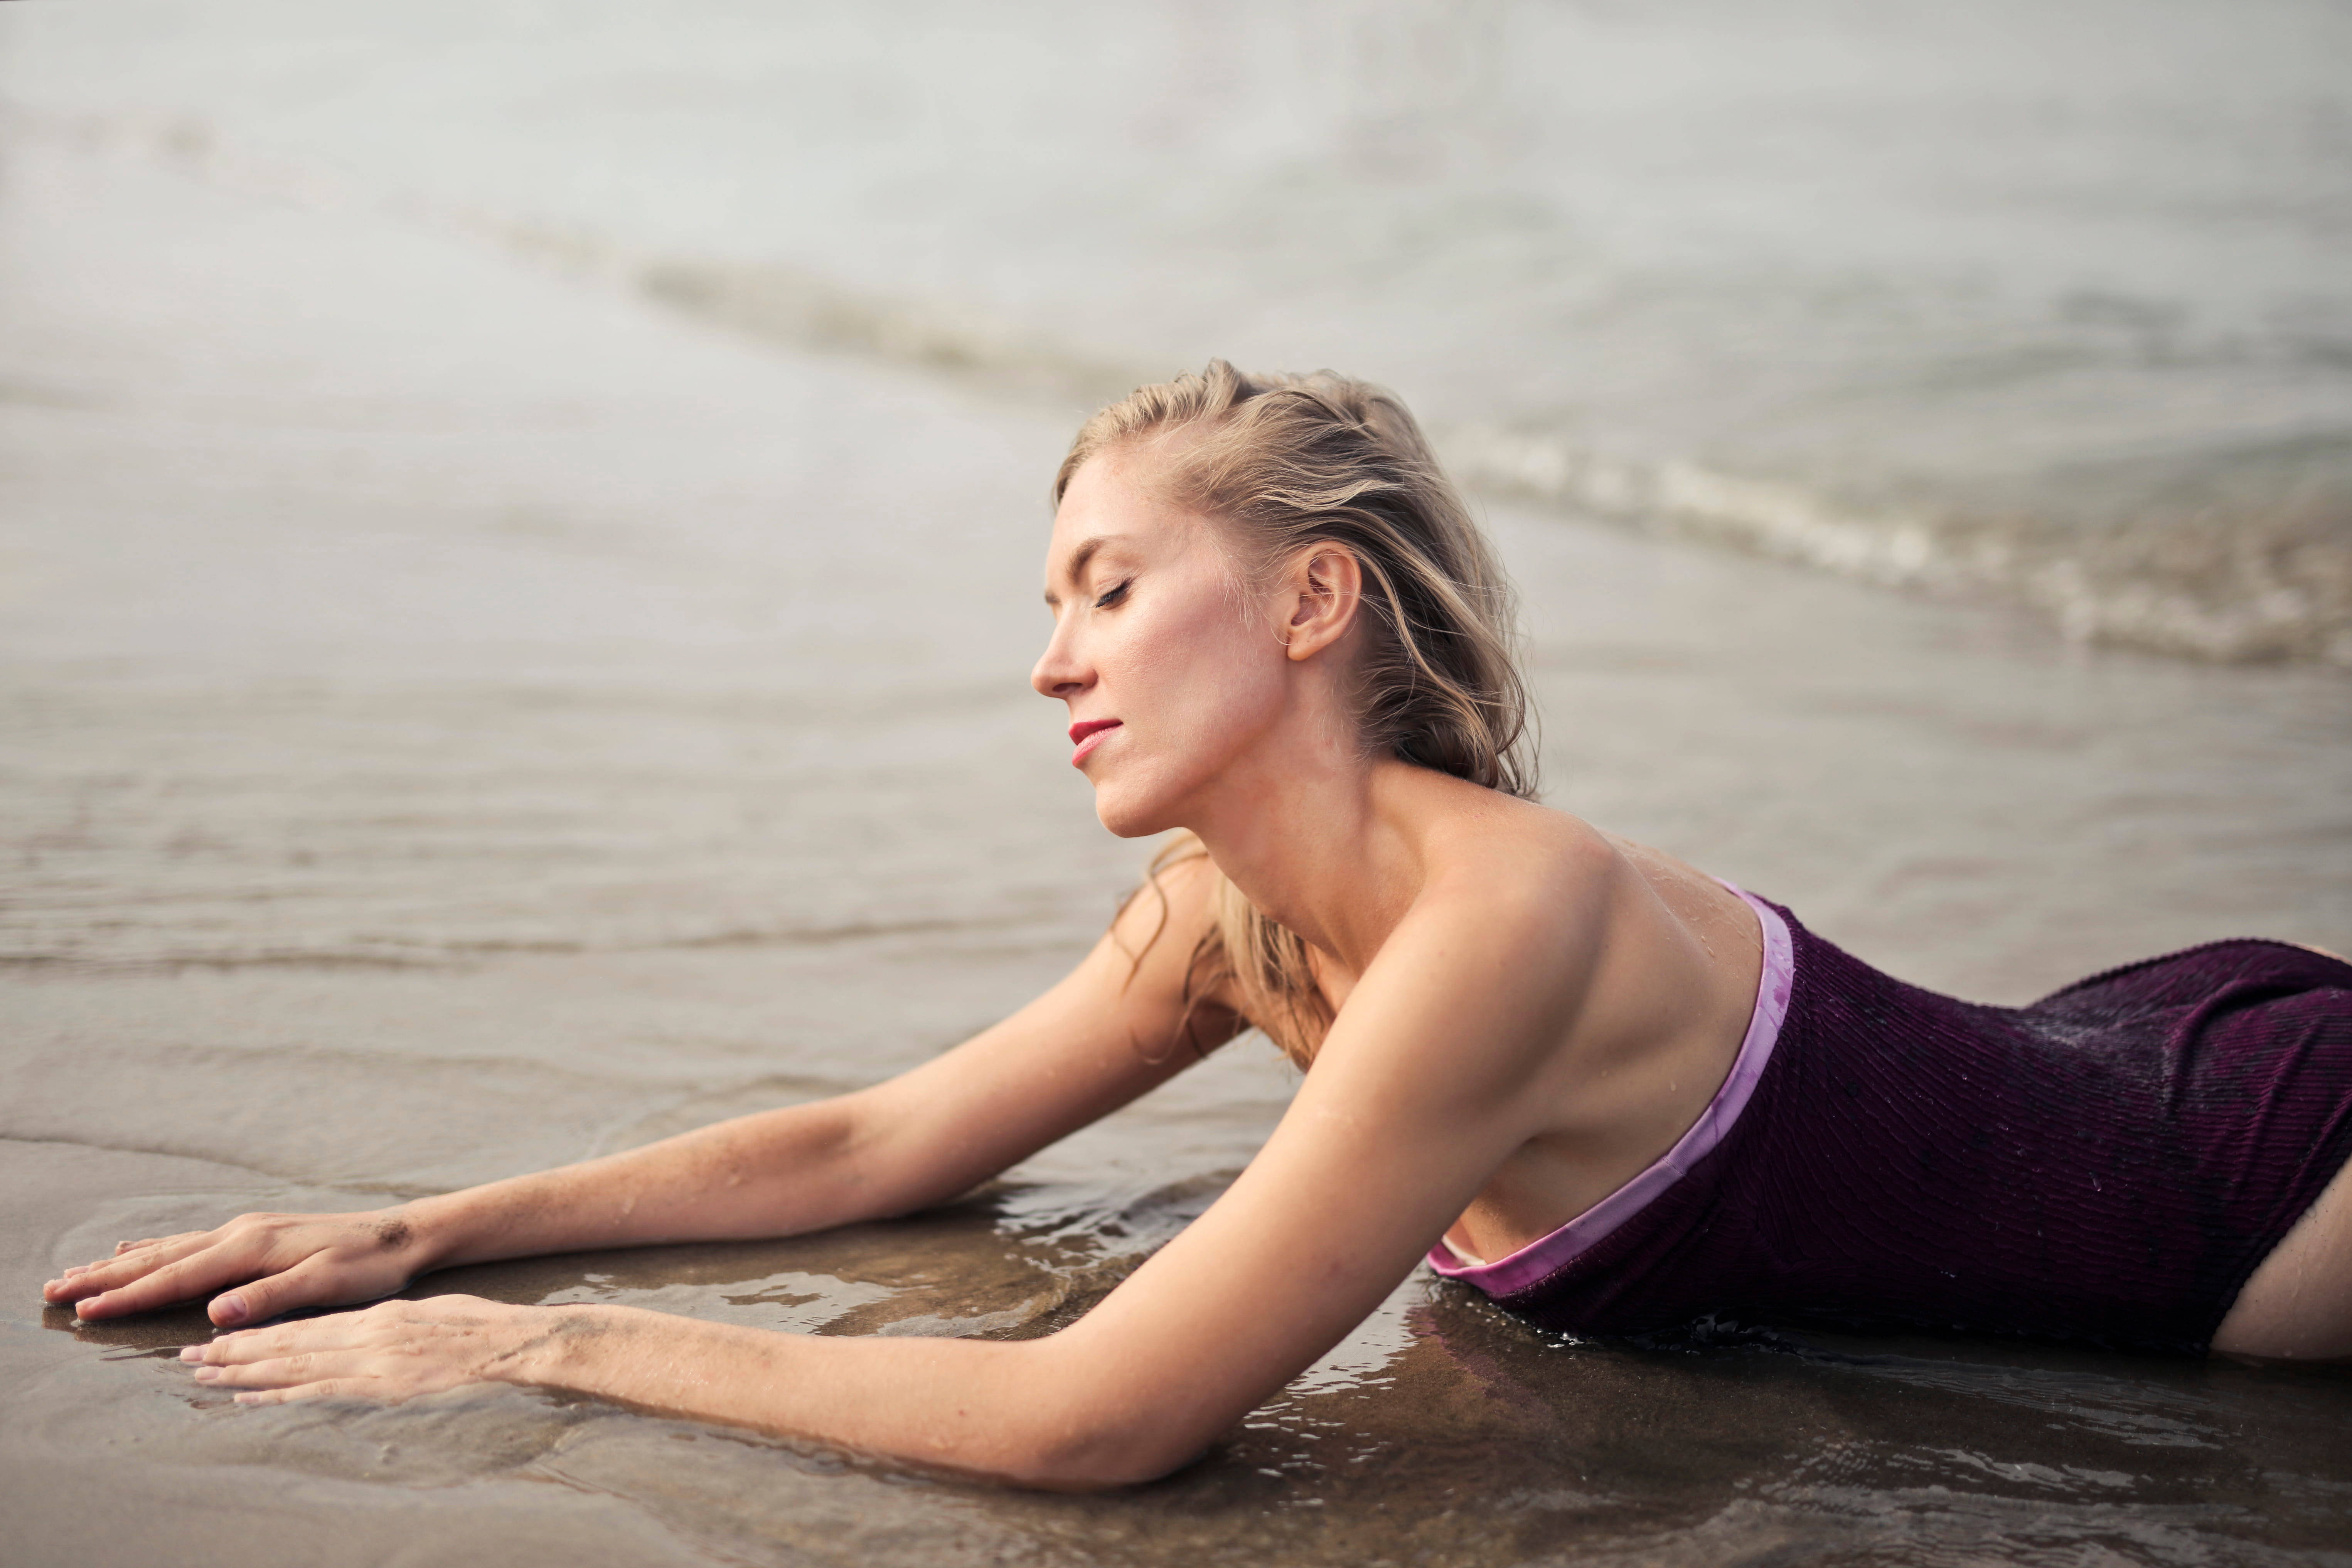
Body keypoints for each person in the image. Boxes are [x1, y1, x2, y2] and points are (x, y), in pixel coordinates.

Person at [44, 363, 2352, 1489]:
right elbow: (879, 1145)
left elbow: (1097, 1417)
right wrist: (430, 1231)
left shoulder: (1504, 918)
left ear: (1314, 601)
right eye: (1049, 598)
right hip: (2096, 1049)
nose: (1051, 655)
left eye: (1107, 587)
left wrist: (543, 1352)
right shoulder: (1227, 918)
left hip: (2263, 1180)